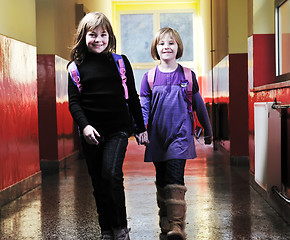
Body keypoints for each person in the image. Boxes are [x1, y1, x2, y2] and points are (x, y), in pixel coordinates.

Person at [68, 12, 148, 240]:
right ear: (83, 37)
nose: (98, 40)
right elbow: (74, 103)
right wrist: (84, 127)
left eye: (103, 35)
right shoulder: (75, 67)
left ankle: (121, 228)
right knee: (98, 181)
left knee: (111, 174)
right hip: (91, 132)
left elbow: (132, 95)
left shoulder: (120, 62)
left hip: (118, 129)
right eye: (93, 35)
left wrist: (141, 128)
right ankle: (106, 229)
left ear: (110, 36)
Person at [140, 27, 213, 240]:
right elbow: (144, 107)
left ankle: (177, 226)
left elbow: (199, 106)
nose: (166, 47)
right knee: (162, 178)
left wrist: (208, 131)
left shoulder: (188, 75)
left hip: (180, 136)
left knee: (175, 177)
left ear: (178, 47)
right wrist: (141, 129)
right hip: (157, 137)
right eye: (162, 43)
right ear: (156, 48)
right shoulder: (149, 77)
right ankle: (166, 222)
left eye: (171, 43)